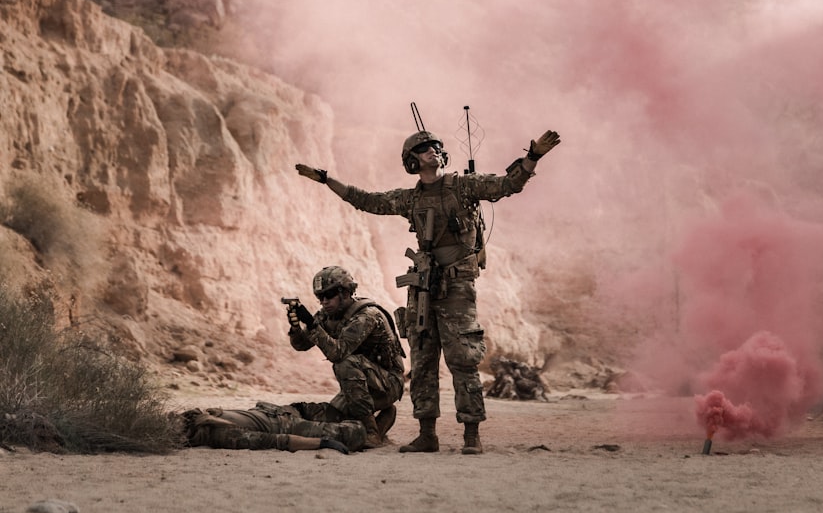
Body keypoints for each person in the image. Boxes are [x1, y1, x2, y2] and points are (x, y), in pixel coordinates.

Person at [295, 127, 560, 454]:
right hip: (422, 290)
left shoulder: (464, 187)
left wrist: (532, 157)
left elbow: (507, 185)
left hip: (457, 289)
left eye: (435, 146)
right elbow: (365, 200)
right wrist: (326, 180)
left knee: (463, 359)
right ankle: (427, 434)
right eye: (423, 148)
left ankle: (471, 435)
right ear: (412, 161)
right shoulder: (411, 198)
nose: (432, 150)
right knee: (422, 361)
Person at [286, 266, 406, 449]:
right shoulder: (329, 315)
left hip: (389, 383)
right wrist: (295, 329)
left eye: (330, 295)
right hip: (365, 383)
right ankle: (384, 417)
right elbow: (301, 345)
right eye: (320, 297)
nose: (324, 301)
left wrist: (311, 324)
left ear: (345, 292)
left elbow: (337, 353)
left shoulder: (367, 315)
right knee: (333, 418)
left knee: (344, 363)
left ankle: (372, 432)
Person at [180, 401, 366, 453]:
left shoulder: (207, 418)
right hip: (284, 423)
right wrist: (323, 443)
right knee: (353, 433)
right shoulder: (221, 434)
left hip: (278, 411)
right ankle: (374, 431)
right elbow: (278, 440)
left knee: (335, 408)